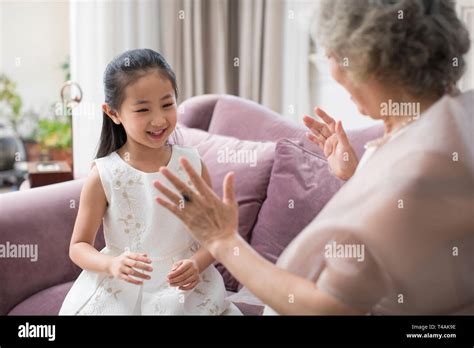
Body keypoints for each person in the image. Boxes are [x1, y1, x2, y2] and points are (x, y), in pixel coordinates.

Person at [153, 0, 474, 315]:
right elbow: (405, 231)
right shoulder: (454, 117)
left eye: (332, 54)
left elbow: (328, 307)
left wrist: (223, 240)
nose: (329, 66)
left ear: (370, 62)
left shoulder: (417, 168)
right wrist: (354, 176)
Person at [60, 48, 241, 315]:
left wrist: (197, 263)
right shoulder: (104, 174)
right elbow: (78, 247)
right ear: (113, 113)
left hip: (184, 290)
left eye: (167, 104)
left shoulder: (191, 165)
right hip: (122, 288)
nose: (159, 119)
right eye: (143, 109)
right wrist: (111, 264)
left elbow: (215, 237)